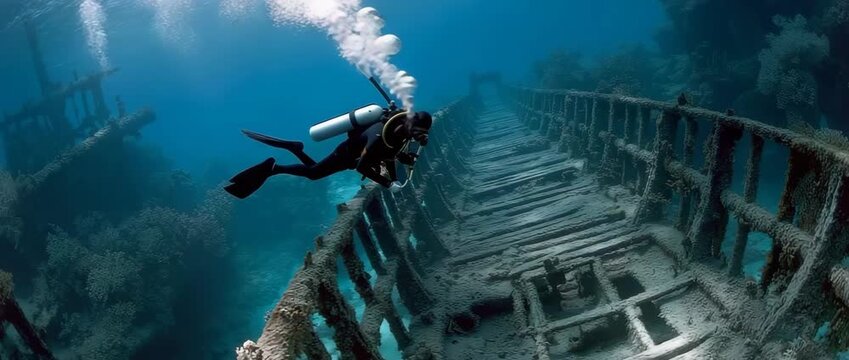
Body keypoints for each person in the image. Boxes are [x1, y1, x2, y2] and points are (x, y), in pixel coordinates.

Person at [224, 111, 432, 199]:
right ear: (409, 125)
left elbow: (389, 155)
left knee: (314, 172)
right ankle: (277, 166)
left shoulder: (398, 134)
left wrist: (394, 178)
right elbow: (363, 166)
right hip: (346, 155)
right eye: (416, 133)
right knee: (314, 174)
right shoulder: (380, 135)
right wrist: (388, 184)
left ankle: (294, 150)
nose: (416, 138)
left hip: (355, 157)